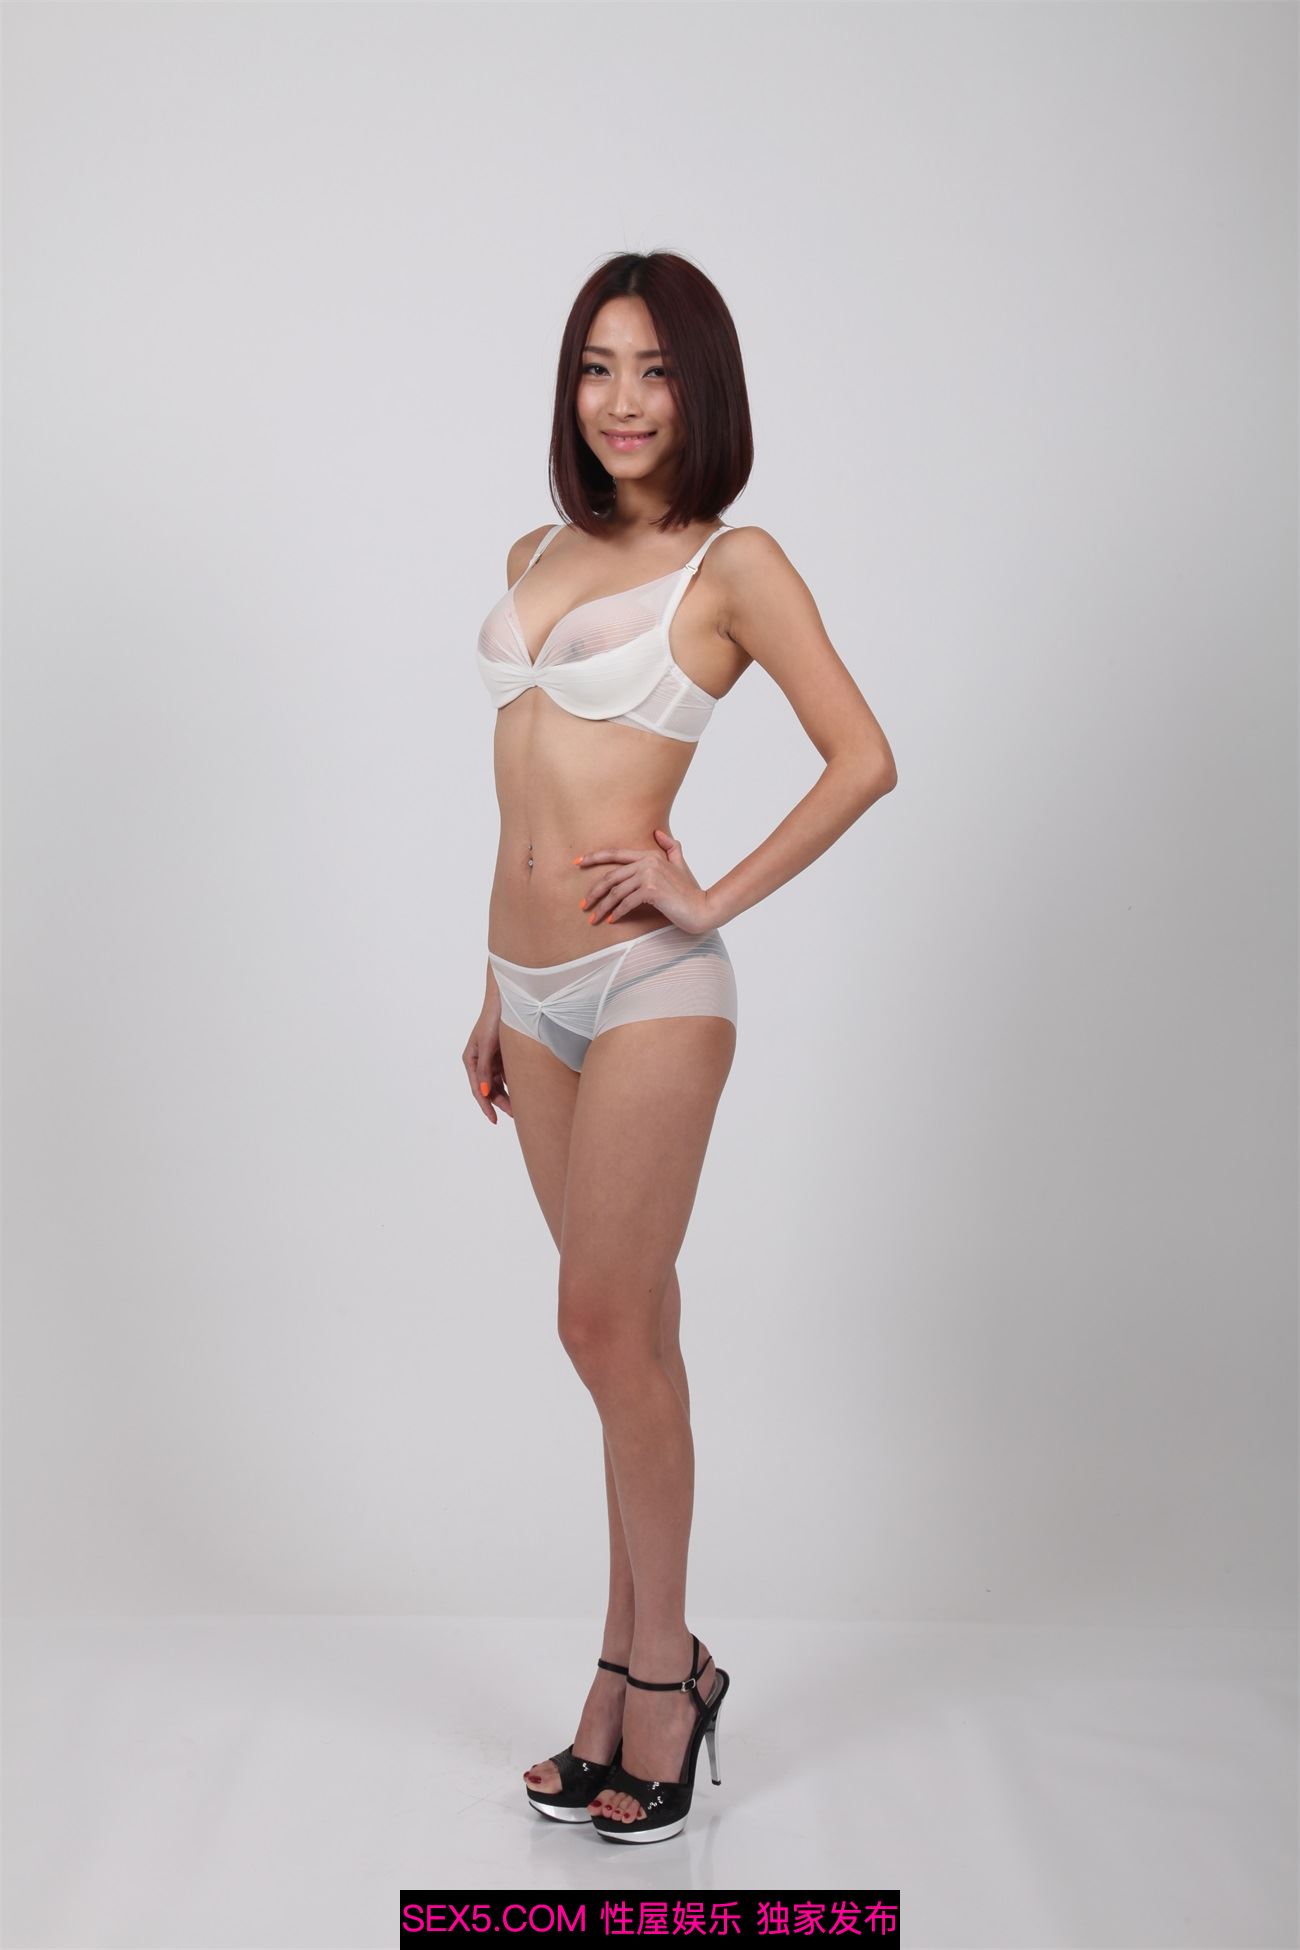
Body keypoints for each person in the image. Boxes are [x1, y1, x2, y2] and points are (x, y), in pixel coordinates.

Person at [463, 251, 898, 1844]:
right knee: (626, 1336)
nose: (624, 399)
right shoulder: (535, 550)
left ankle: (665, 1679)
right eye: (597, 365)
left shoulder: (734, 562)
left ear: (700, 385)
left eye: (653, 368)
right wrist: (488, 985)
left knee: (600, 1322)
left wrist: (708, 894)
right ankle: (626, 1667)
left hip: (650, 983)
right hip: (530, 993)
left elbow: (863, 757)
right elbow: (520, 788)